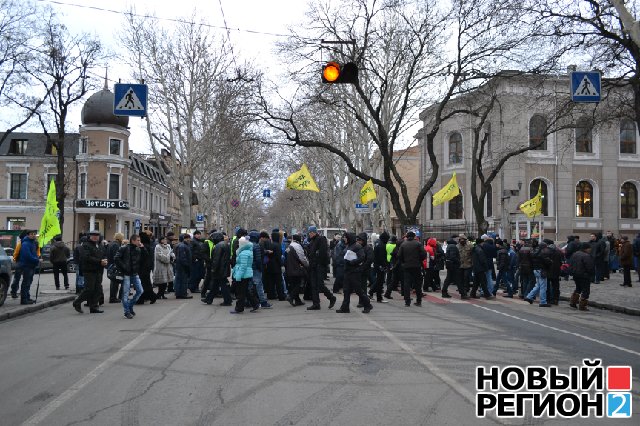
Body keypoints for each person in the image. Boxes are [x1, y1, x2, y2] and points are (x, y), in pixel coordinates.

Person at [337, 232, 372, 313]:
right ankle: (345, 307)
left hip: (354, 272)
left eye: (345, 237)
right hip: (347, 271)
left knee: (358, 290)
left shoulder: (357, 246)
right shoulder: (348, 246)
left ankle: (367, 305)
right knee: (346, 290)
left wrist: (353, 262)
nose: (344, 239)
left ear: (349, 238)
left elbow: (362, 257)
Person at [72, 230, 107, 313]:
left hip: (99, 270)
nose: (95, 237)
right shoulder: (86, 245)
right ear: (89, 236)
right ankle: (77, 302)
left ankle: (94, 307)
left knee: (97, 289)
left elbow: (104, 255)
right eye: (93, 235)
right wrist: (99, 261)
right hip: (89, 270)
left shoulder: (100, 245)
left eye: (97, 235)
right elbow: (86, 257)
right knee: (89, 289)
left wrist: (105, 260)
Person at [306, 226, 337, 310]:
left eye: (311, 232)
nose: (310, 234)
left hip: (319, 265)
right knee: (314, 285)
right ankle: (316, 303)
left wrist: (318, 261)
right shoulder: (311, 241)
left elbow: (322, 253)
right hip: (313, 266)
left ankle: (331, 297)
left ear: (314, 232)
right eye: (309, 233)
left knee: (320, 285)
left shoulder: (321, 239)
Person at [115, 234, 142, 319]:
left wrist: (143, 248)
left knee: (140, 291)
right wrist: (124, 267)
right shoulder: (124, 248)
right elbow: (116, 258)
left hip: (134, 273)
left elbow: (141, 260)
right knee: (125, 293)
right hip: (126, 274)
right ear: (133, 240)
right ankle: (126, 311)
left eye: (139, 240)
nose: (139, 242)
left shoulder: (138, 249)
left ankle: (130, 306)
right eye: (138, 240)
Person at [230, 236, 259, 313]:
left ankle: (239, 308)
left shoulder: (243, 253)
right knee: (245, 291)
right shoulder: (247, 251)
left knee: (241, 293)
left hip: (243, 274)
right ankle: (255, 304)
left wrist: (238, 276)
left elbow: (243, 266)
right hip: (246, 274)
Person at [397, 231, 427, 307]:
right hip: (416, 266)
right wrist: (419, 260)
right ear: (414, 236)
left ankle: (407, 301)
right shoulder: (418, 244)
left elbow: (399, 255)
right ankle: (419, 300)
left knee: (407, 284)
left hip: (406, 266)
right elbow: (424, 254)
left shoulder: (403, 244)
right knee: (417, 284)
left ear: (407, 236)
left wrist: (403, 262)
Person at [204, 232, 233, 306]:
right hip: (223, 268)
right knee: (215, 284)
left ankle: (227, 300)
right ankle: (209, 299)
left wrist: (213, 269)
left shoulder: (218, 246)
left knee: (222, 285)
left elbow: (216, 259)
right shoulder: (225, 244)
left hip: (219, 269)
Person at [524, 241, 552, 307]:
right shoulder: (542, 253)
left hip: (535, 270)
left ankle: (529, 297)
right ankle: (543, 302)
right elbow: (546, 262)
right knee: (543, 287)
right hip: (542, 270)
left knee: (538, 285)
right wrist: (550, 261)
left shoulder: (535, 253)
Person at [568, 242, 594, 311]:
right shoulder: (586, 256)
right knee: (586, 291)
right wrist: (591, 274)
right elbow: (590, 267)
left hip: (575, 274)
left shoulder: (575, 254)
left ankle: (573, 302)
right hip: (584, 276)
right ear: (586, 248)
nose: (590, 250)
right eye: (589, 248)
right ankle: (582, 306)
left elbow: (570, 264)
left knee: (578, 288)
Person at [16, 230, 40, 305]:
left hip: (31, 265)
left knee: (29, 282)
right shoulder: (26, 243)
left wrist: (37, 259)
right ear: (28, 235)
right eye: (31, 234)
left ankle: (27, 297)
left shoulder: (32, 243)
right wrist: (37, 260)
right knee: (26, 282)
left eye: (34, 234)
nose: (33, 235)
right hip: (27, 265)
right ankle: (24, 299)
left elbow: (34, 254)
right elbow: (27, 256)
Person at [285, 234, 309, 306]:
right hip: (296, 268)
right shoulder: (297, 246)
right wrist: (307, 265)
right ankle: (291, 296)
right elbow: (302, 258)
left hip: (289, 268)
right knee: (299, 284)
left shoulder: (289, 246)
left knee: (293, 284)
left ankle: (297, 300)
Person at [372, 231, 390, 303]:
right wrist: (385, 265)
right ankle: (379, 297)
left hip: (377, 265)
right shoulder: (382, 246)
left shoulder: (378, 244)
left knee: (379, 281)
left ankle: (374, 294)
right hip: (380, 266)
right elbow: (382, 258)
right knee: (380, 281)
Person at [106, 232, 124, 303]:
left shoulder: (111, 244)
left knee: (114, 282)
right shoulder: (116, 245)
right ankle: (113, 298)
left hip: (111, 265)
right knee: (115, 282)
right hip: (115, 266)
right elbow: (116, 257)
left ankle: (114, 297)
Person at [174, 234, 193, 299]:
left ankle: (179, 293)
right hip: (182, 266)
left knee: (179, 280)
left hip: (179, 266)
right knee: (183, 280)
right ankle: (182, 294)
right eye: (187, 238)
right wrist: (187, 266)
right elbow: (182, 258)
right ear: (184, 239)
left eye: (189, 238)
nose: (189, 239)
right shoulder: (183, 246)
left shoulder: (182, 245)